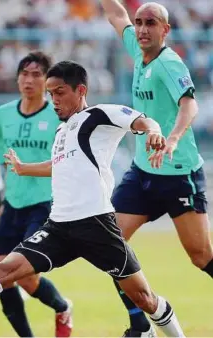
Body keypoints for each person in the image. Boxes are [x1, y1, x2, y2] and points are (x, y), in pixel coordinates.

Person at [0, 61, 186, 338]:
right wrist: (25, 169)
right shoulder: (62, 130)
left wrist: (154, 131)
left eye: (59, 92)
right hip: (58, 226)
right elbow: (59, 164)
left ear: (81, 91)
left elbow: (141, 120)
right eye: (50, 93)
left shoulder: (99, 115)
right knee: (3, 270)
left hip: (96, 223)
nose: (54, 100)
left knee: (145, 299)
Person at [100, 1, 213, 336]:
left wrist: (174, 139)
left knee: (201, 256)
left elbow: (189, 104)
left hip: (179, 173)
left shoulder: (170, 62)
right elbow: (115, 14)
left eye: (152, 22)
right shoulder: (136, 46)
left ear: (166, 30)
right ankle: (139, 325)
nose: (143, 28)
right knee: (110, 243)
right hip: (143, 172)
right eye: (139, 22)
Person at [0, 51, 72, 338]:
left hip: (44, 205)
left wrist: (29, 169)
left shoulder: (58, 116)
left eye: (37, 74)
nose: (29, 80)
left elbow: (65, 163)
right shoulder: (3, 114)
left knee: (22, 273)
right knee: (1, 273)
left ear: (48, 80)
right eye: (24, 74)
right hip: (12, 206)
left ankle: (62, 307)